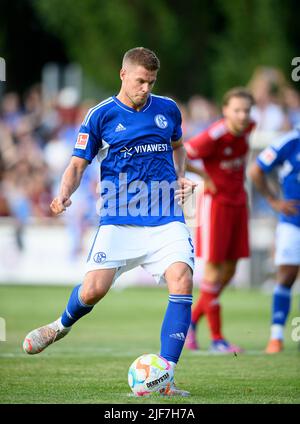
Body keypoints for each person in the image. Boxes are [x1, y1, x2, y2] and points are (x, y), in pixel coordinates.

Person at [23, 47, 196, 396]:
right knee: (93, 290)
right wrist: (64, 194)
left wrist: (180, 176)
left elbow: (179, 146)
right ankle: (59, 326)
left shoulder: (168, 109)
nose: (146, 88)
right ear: (123, 74)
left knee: (182, 279)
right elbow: (76, 164)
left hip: (165, 218)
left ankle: (166, 376)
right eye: (140, 81)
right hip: (119, 220)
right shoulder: (100, 115)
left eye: (151, 82)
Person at [184, 87, 255, 353]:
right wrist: (204, 177)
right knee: (214, 272)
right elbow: (182, 153)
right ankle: (217, 340)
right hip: (216, 206)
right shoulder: (213, 135)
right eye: (237, 110)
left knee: (229, 272)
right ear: (225, 111)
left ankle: (191, 321)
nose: (242, 115)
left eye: (246, 110)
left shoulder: (249, 128)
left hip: (239, 204)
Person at [249, 127, 300, 353]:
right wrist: (273, 200)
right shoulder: (289, 142)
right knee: (287, 276)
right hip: (293, 221)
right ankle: (276, 337)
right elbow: (256, 170)